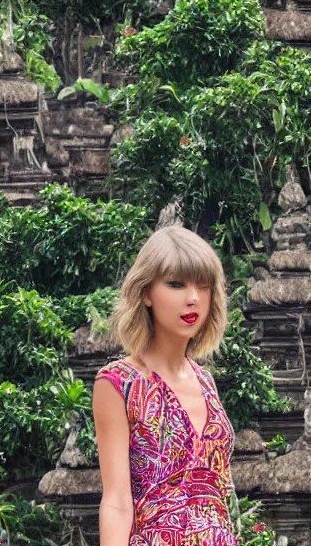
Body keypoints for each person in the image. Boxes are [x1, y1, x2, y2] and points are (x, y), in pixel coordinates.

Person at [93, 226, 238, 546]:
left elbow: (220, 500)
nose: (192, 298)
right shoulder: (118, 384)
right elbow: (117, 502)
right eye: (176, 284)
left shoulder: (206, 382)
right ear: (146, 292)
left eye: (204, 287)